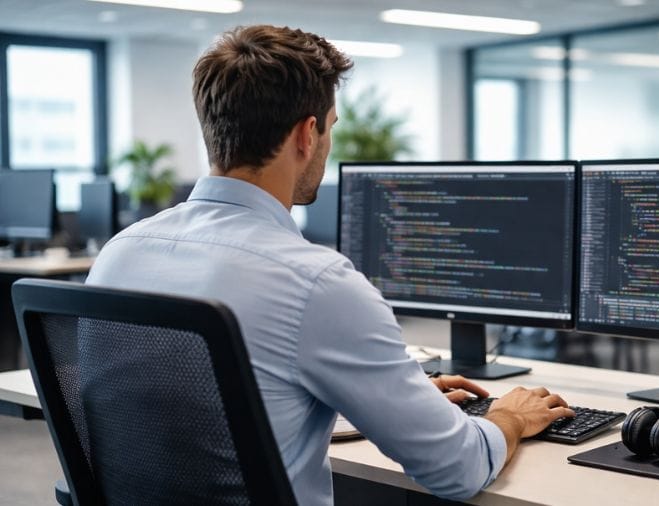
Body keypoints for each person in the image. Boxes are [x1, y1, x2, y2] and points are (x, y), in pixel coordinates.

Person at [87, 25, 574, 504]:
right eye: (332, 128)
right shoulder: (316, 283)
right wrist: (510, 415)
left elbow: (206, 406)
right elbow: (457, 469)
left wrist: (392, 398)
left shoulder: (121, 251)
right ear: (307, 133)